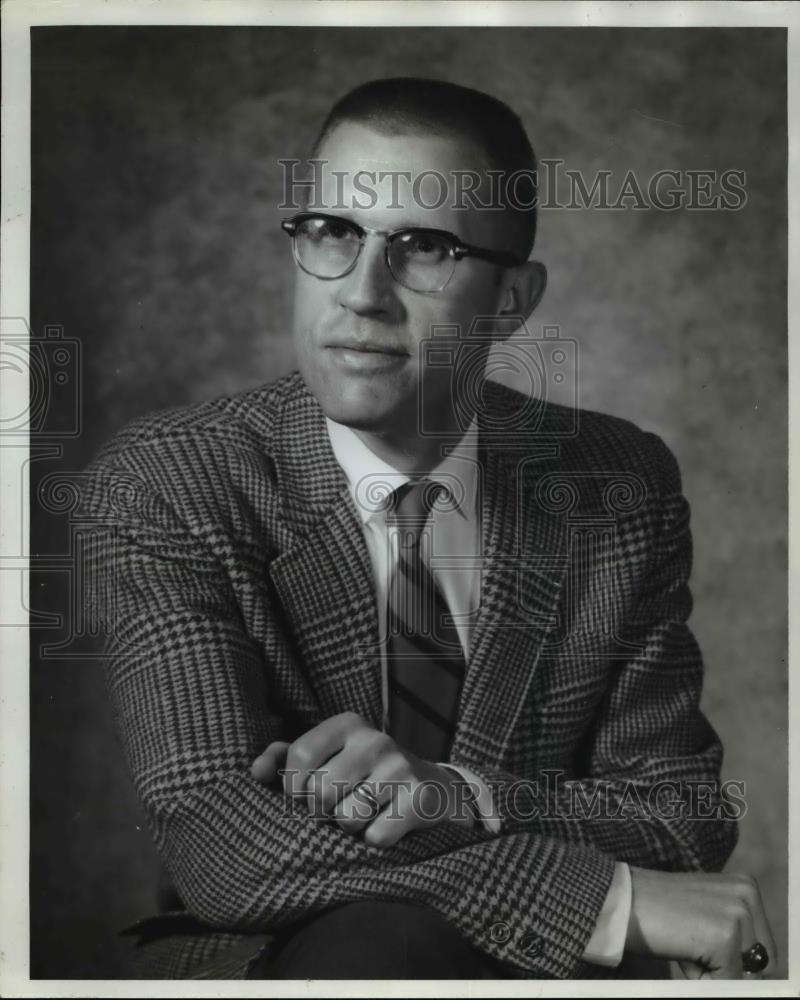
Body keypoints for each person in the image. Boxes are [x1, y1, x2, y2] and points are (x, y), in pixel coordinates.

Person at [80, 78, 775, 980]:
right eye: (332, 232)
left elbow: (681, 814)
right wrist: (608, 901)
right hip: (296, 959)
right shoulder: (166, 481)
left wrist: (458, 796)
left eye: (424, 249)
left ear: (513, 300)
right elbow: (221, 839)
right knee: (387, 948)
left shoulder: (617, 485)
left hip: (547, 975)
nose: (362, 294)